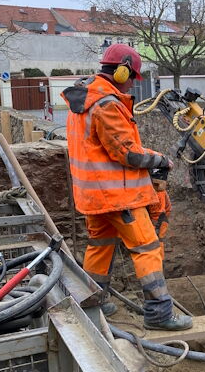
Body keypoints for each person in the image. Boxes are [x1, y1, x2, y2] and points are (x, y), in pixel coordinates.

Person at [62, 43, 192, 331]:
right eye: (131, 76)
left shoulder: (82, 99)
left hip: (91, 195)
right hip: (117, 197)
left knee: (100, 245)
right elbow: (129, 154)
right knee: (148, 248)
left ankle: (93, 302)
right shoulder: (106, 104)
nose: (132, 83)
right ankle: (159, 313)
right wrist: (160, 159)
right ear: (121, 72)